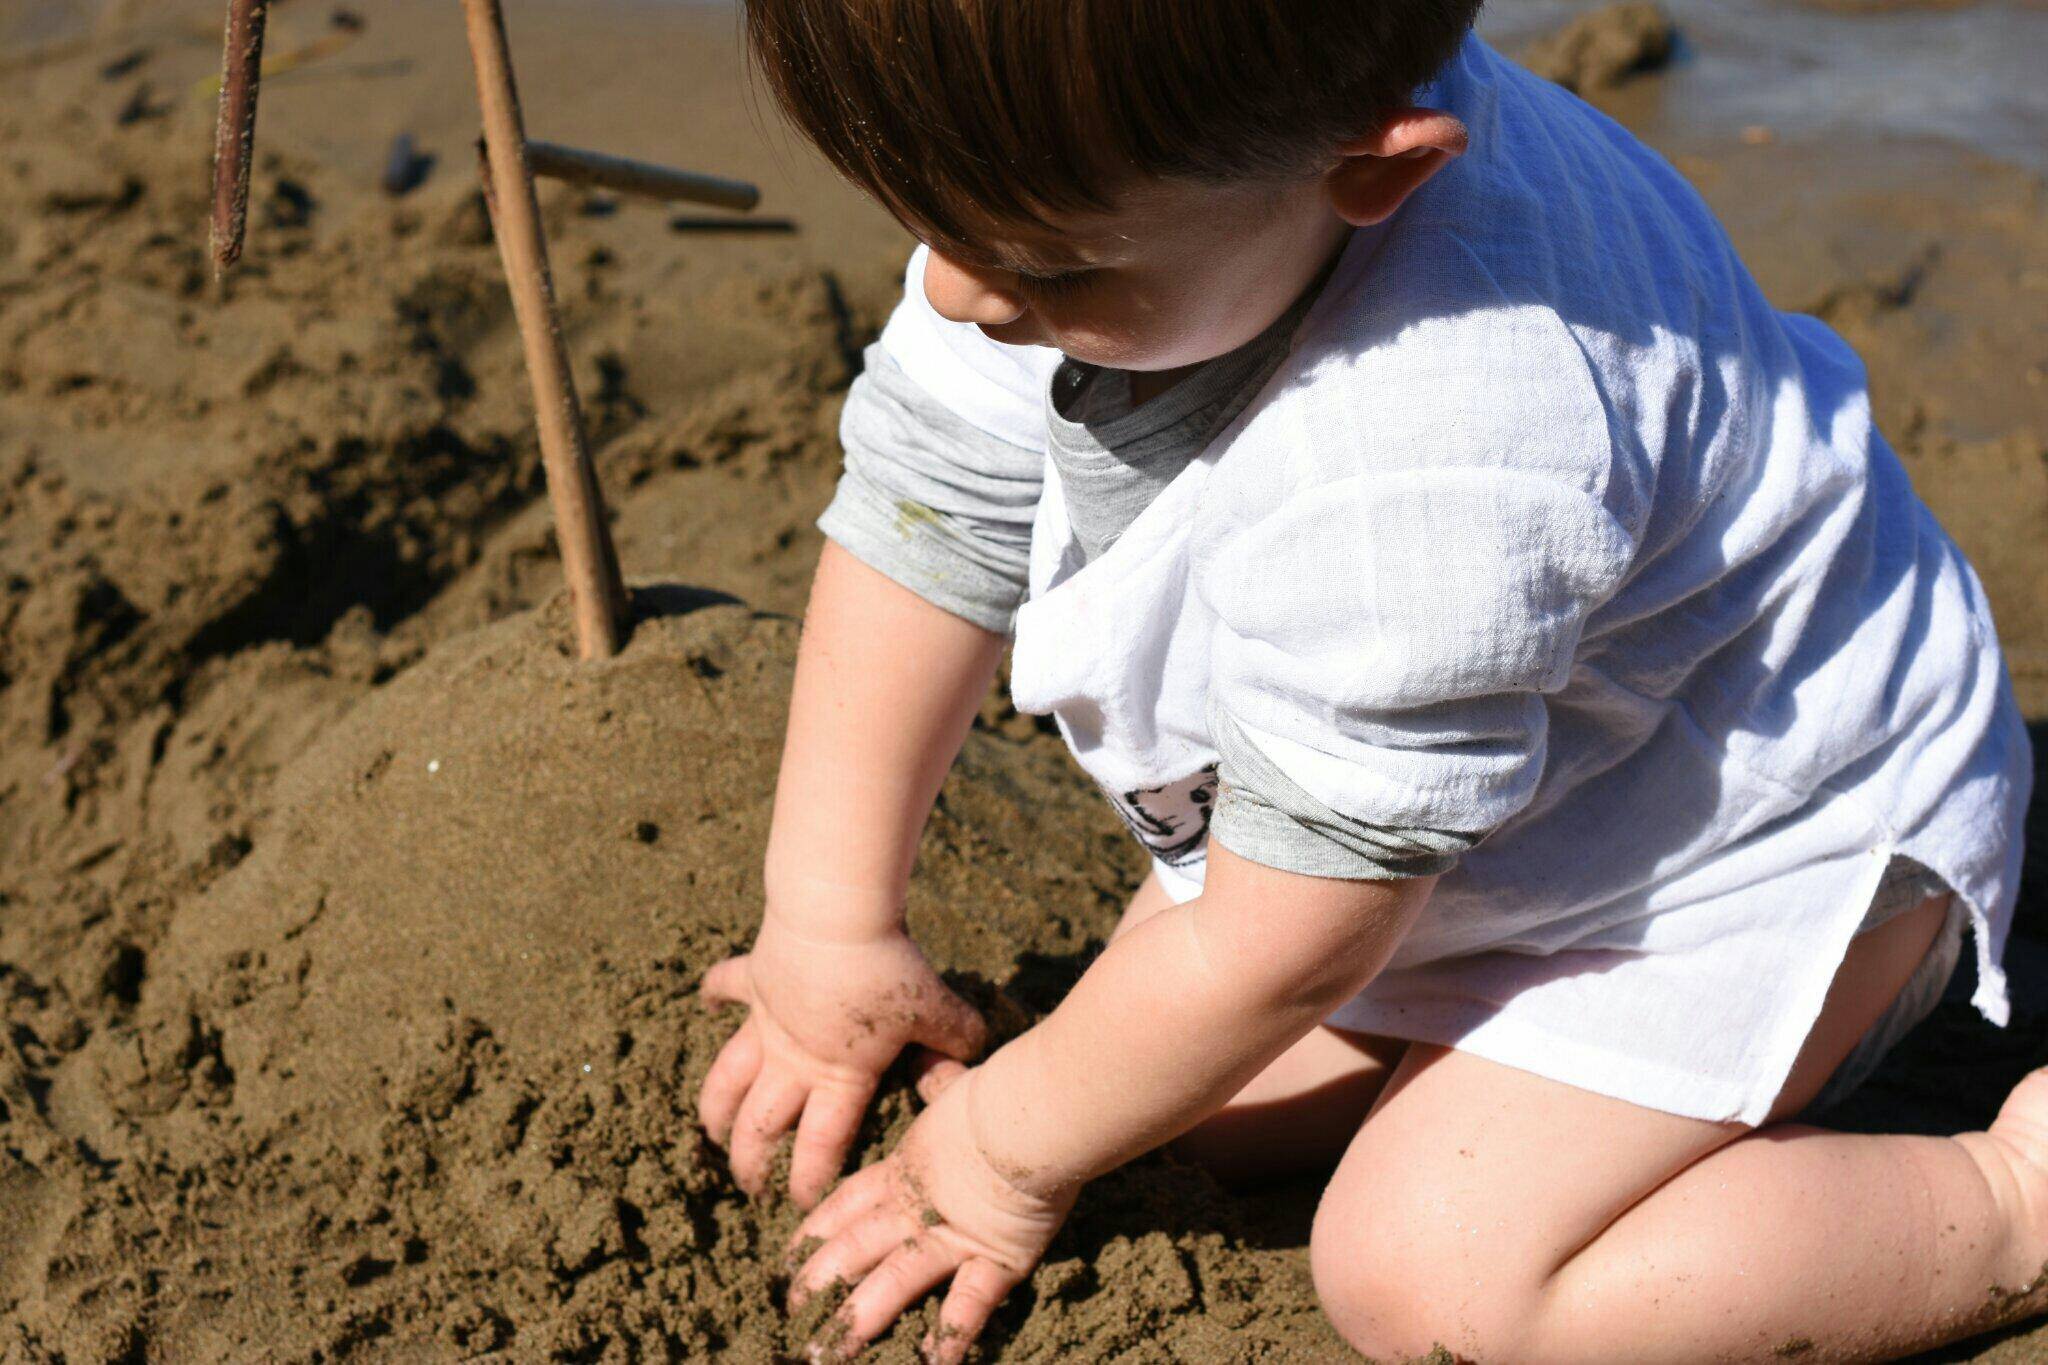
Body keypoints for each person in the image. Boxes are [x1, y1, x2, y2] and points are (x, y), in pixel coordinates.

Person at [694, 1, 2039, 1359]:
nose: (962, 296)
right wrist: (829, 922)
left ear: (1380, 166)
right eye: (932, 226)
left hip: (1756, 845)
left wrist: (996, 1157)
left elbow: (1289, 936)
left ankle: (2007, 1202)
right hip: (1515, 804)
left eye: (1043, 265)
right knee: (1177, 1100)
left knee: (1428, 1268)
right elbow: (930, 514)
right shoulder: (1154, 163)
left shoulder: (1441, 457)